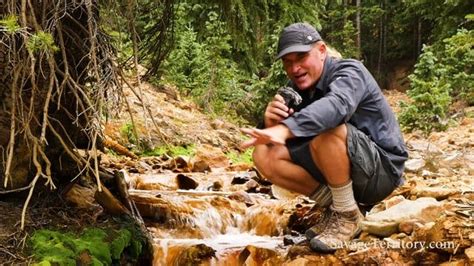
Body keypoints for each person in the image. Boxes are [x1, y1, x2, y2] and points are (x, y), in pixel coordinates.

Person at [240, 22, 408, 252]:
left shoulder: (350, 71)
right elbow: (277, 141)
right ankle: (339, 207)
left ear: (321, 50)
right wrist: (270, 123)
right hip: (344, 170)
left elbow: (336, 107)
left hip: (382, 172)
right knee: (264, 155)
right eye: (287, 62)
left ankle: (348, 215)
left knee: (328, 128)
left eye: (301, 57)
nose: (295, 68)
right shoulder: (296, 89)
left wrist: (287, 128)